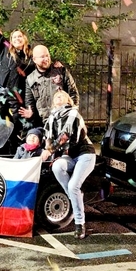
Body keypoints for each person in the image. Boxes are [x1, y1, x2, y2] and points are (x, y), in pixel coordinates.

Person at [41, 90, 96, 240]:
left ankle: (80, 224)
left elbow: (65, 136)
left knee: (73, 186)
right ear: (53, 102)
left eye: (62, 95)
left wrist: (49, 150)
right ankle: (75, 196)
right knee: (57, 166)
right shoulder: (52, 118)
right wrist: (47, 149)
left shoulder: (73, 113)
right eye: (56, 96)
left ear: (68, 100)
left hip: (85, 154)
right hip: (70, 156)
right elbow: (48, 138)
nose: (58, 96)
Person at [21, 45, 79, 128]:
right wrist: (30, 115)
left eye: (47, 55)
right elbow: (30, 104)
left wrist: (73, 114)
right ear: (34, 59)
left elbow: (73, 93)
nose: (46, 59)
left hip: (63, 121)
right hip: (44, 124)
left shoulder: (61, 71)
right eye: (42, 57)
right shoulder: (30, 79)